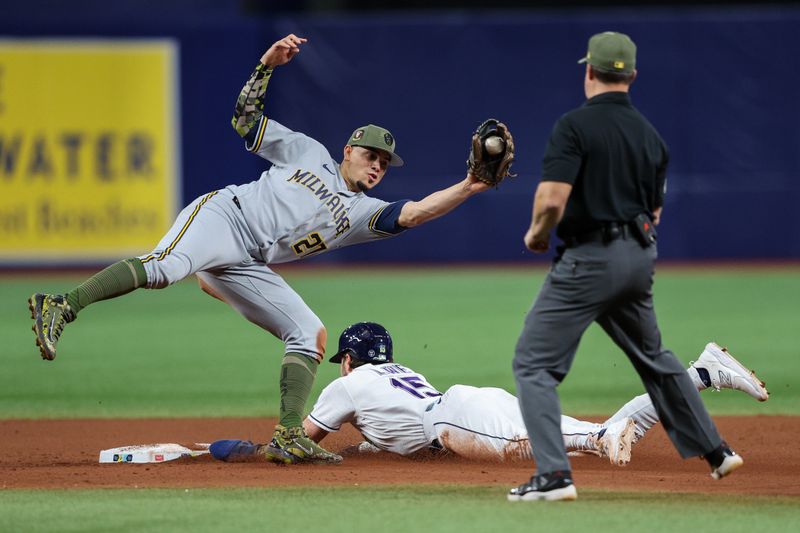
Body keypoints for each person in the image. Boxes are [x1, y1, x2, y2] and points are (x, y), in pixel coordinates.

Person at [27, 34, 491, 465]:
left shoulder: (363, 213)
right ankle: (62, 304)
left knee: (310, 333)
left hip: (248, 262)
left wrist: (469, 186)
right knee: (164, 268)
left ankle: (289, 434)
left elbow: (414, 212)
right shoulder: (307, 151)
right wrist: (266, 66)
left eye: (385, 164)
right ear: (348, 150)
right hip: (223, 217)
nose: (377, 166)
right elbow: (245, 120)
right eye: (371, 155)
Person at [510, 31, 751, 501]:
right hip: (639, 259)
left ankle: (554, 476)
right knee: (656, 360)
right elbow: (654, 214)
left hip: (589, 258)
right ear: (632, 76)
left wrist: (537, 235)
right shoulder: (652, 138)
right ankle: (716, 450)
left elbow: (553, 197)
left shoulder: (574, 126)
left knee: (533, 364)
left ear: (588, 71)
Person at [207, 322, 768, 465]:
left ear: (349, 358)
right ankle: (703, 373)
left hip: (458, 421)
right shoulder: (396, 378)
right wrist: (365, 448)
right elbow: (386, 438)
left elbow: (298, 443)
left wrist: (246, 452)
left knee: (592, 438)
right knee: (600, 433)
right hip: (468, 403)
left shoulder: (347, 382)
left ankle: (610, 431)